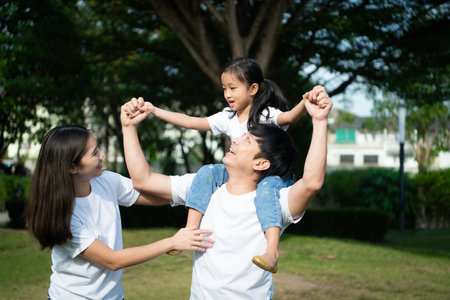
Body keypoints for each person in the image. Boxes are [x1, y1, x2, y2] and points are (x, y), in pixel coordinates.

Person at [121, 85, 332, 299]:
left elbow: (312, 182)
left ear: (260, 163)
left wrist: (320, 121)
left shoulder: (276, 201)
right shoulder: (206, 187)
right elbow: (144, 180)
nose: (236, 139)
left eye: (247, 140)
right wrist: (128, 127)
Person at [145, 57, 311, 272]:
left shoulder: (266, 114)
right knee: (208, 171)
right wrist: (155, 111)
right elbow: (191, 121)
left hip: (271, 175)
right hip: (241, 172)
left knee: (267, 191)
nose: (227, 94)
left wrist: (305, 104)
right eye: (225, 88)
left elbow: (289, 118)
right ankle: (190, 230)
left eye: (233, 88)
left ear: (253, 88)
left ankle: (272, 251)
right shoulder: (228, 116)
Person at [25, 125, 213, 300]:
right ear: (72, 167)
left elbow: (150, 193)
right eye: (94, 153)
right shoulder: (66, 216)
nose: (102, 156)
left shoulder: (106, 181)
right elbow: (113, 260)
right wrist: (172, 242)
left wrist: (197, 188)